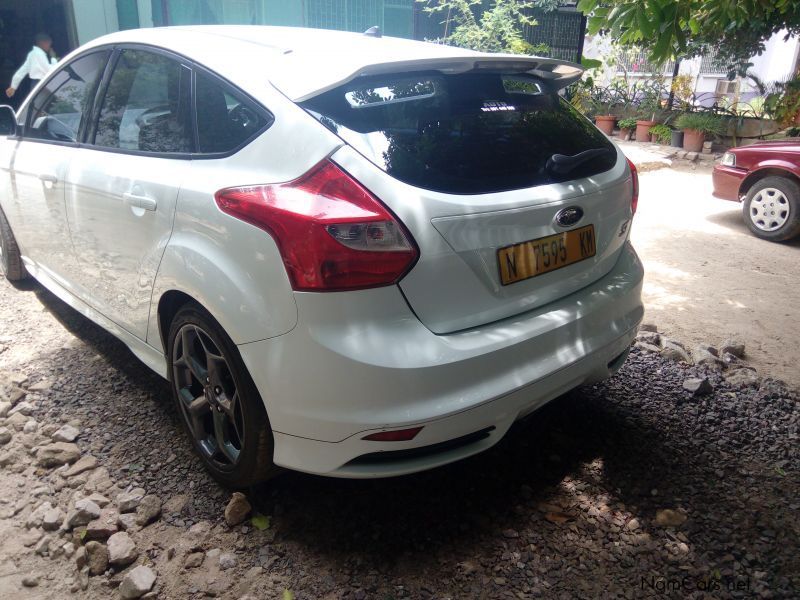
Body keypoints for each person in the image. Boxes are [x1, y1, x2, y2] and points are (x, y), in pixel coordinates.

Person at [5, 33, 58, 99]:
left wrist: (13, 86)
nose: (49, 46)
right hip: (41, 84)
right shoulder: (39, 54)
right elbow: (50, 71)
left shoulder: (32, 54)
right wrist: (53, 58)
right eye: (49, 44)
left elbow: (22, 71)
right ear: (42, 43)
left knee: (36, 104)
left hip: (35, 84)